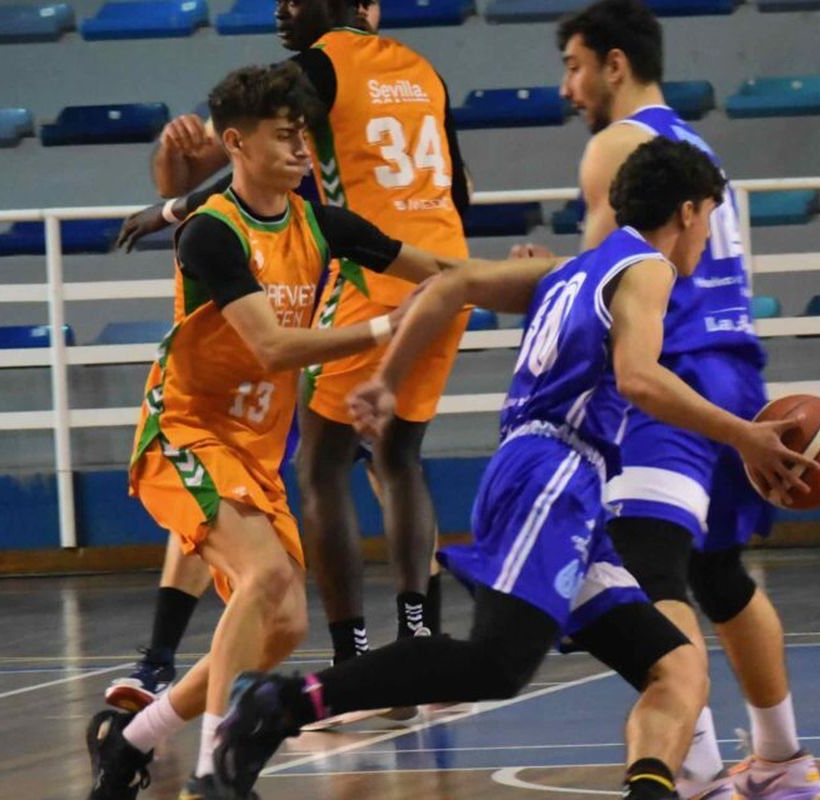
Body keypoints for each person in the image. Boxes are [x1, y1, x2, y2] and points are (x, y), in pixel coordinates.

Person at [207, 138, 817, 800]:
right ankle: (282, 702)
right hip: (551, 471)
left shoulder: (576, 268)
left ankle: (655, 790)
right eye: (709, 222)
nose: (706, 240)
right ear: (691, 211)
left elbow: (454, 282)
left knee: (677, 668)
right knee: (495, 663)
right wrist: (743, 436)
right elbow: (638, 378)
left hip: (558, 481)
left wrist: (388, 379)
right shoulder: (650, 267)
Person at [83, 61, 506, 800]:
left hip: (251, 450)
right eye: (284, 136)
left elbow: (438, 267)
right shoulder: (210, 236)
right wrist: (383, 325)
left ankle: (132, 739)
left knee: (277, 629)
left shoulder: (320, 224)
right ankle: (217, 768)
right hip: (184, 433)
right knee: (269, 577)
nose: (302, 148)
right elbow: (273, 347)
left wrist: (534, 283)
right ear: (237, 145)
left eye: (304, 135)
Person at [524, 2, 820, 796]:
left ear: (615, 65)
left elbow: (602, 285)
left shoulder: (616, 148)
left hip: (675, 380)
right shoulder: (694, 143)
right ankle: (784, 760)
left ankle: (693, 774)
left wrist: (524, 279)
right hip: (734, 365)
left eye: (576, 67)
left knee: (645, 572)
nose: (568, 88)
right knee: (721, 576)